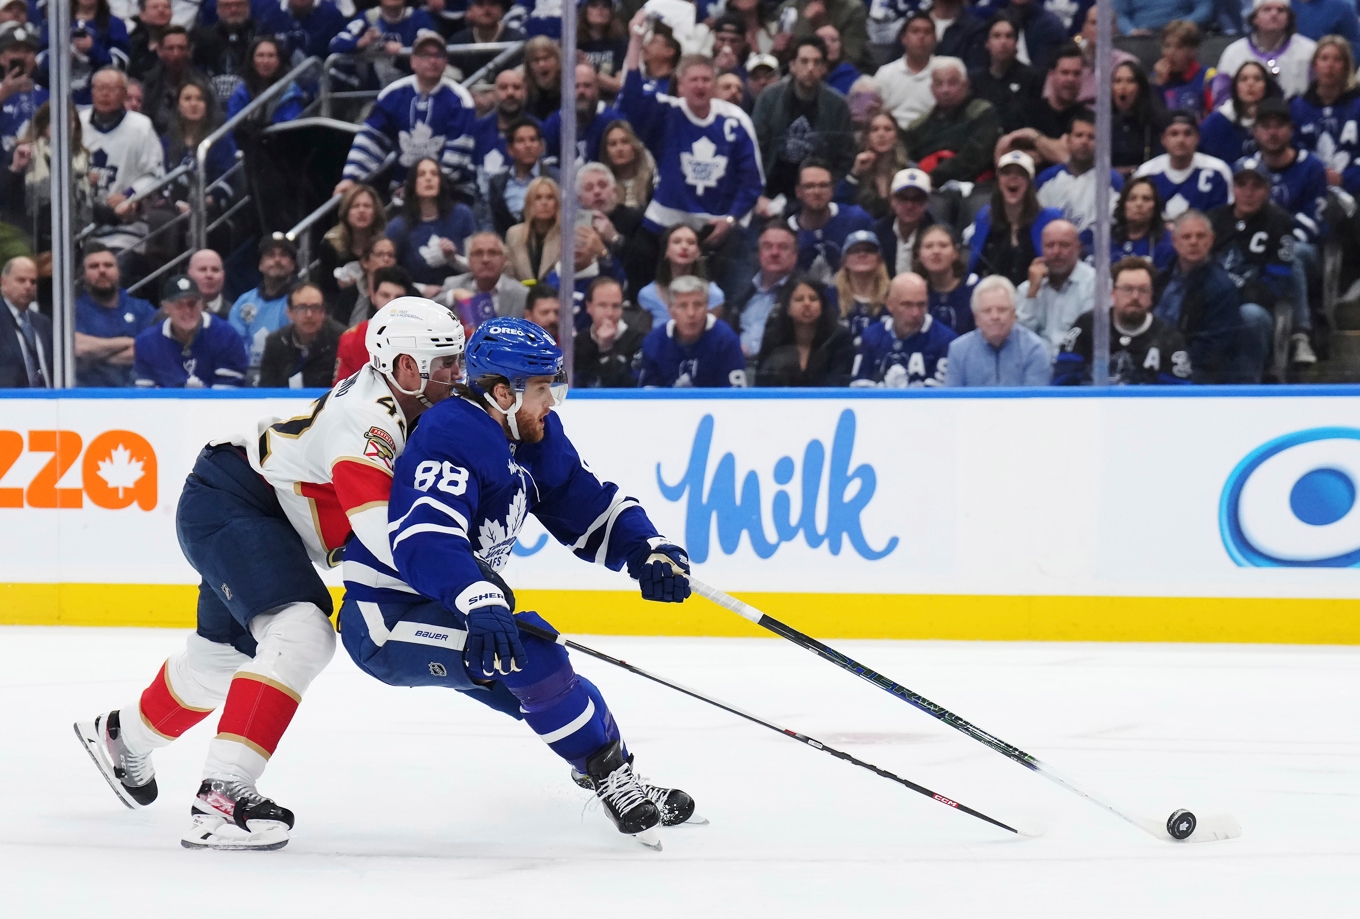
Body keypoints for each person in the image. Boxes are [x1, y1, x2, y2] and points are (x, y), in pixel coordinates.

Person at [79, 298, 464, 850]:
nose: (457, 373)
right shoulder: (366, 423)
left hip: (256, 508)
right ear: (407, 366)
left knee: (217, 663)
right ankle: (223, 795)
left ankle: (123, 737)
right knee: (302, 632)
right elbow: (381, 532)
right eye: (446, 362)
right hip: (235, 502)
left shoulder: (411, 399)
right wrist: (462, 588)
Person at [336, 316, 697, 847]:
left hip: (455, 605)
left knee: (557, 683)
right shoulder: (451, 432)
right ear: (502, 393)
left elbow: (585, 502)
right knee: (535, 656)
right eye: (542, 389)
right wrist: (479, 598)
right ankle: (609, 778)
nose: (551, 402)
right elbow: (426, 535)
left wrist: (646, 548)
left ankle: (613, 776)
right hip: (387, 619)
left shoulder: (532, 435)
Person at [620, 14, 763, 303]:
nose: (700, 86)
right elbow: (631, 99)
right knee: (644, 286)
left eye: (706, 79)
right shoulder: (667, 112)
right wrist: (635, 41)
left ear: (715, 84)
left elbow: (752, 181)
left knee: (714, 299)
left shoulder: (735, 120)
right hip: (663, 224)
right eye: (693, 80)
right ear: (681, 85)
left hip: (714, 230)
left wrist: (730, 219)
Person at [337, 30, 477, 199]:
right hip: (402, 191)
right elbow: (371, 138)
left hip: (451, 192)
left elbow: (458, 153)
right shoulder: (392, 94)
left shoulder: (460, 99)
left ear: (445, 61)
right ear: (412, 61)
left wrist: (423, 188)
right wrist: (351, 177)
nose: (432, 60)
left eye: (438, 55)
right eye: (425, 55)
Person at [1211, 157, 1315, 365]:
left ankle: (1247, 379)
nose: (1248, 193)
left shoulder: (1279, 221)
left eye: (1256, 186)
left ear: (1267, 189)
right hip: (1214, 298)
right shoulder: (1215, 218)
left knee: (1250, 316)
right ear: (1233, 188)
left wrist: (1245, 292)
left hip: (1254, 303)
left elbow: (1281, 279)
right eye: (1242, 185)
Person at [1153, 209, 1271, 384]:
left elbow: (1210, 351)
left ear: (1211, 240)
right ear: (1175, 242)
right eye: (1186, 237)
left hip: (1192, 371)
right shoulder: (1160, 278)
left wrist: (1169, 363)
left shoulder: (1222, 287)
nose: (1193, 242)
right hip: (1153, 358)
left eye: (1200, 236)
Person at [1053, 257, 1192, 386]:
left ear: (1151, 296)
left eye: (1143, 290)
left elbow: (1179, 395)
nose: (1135, 296)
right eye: (1127, 289)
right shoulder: (1087, 326)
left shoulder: (1169, 339)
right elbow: (1062, 382)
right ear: (1113, 293)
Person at [751, 34, 855, 203]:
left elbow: (844, 158)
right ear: (792, 65)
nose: (810, 68)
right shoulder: (769, 98)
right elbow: (755, 150)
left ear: (824, 68)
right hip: (771, 189)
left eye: (817, 62)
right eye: (804, 61)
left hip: (818, 193)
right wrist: (757, 194)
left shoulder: (837, 104)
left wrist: (829, 193)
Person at [964, 150, 1063, 286]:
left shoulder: (1050, 218)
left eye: (1021, 173)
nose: (1013, 177)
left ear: (1029, 182)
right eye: (1006, 173)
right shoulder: (984, 217)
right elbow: (974, 267)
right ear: (998, 181)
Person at [900, 57, 1001, 187]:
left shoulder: (982, 113)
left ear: (965, 84)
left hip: (975, 184)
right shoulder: (918, 126)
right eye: (939, 84)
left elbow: (975, 157)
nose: (945, 90)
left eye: (952, 83)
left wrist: (933, 177)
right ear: (932, 88)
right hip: (925, 187)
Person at [80, 67, 166, 220]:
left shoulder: (141, 126)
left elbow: (156, 175)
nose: (104, 94)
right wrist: (80, 178)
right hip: (81, 215)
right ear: (92, 92)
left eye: (111, 89)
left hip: (127, 220)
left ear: (124, 94)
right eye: (99, 88)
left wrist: (130, 195)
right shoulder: (79, 122)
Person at [134, 274, 248, 388]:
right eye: (179, 305)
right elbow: (146, 393)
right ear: (165, 308)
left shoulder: (226, 336)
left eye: (192, 304)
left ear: (201, 304)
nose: (187, 311)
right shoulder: (146, 342)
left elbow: (228, 391)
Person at [386, 157, 477, 295]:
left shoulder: (462, 214)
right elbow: (387, 275)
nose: (428, 178)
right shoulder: (398, 227)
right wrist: (421, 289)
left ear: (441, 181)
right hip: (417, 298)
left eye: (434, 174)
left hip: (463, 293)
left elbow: (476, 267)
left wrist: (453, 259)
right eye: (422, 174)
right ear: (413, 183)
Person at [850, 270, 957, 387]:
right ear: (889, 304)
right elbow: (858, 387)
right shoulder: (871, 337)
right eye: (907, 305)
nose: (915, 313)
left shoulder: (945, 341)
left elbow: (940, 394)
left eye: (921, 304)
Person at [638, 274, 747, 387]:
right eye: (683, 306)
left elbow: (736, 393)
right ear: (671, 311)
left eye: (698, 305)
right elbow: (648, 392)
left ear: (707, 308)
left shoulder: (726, 340)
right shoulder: (655, 341)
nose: (691, 313)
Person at [1249, 98, 1330, 248]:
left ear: (1291, 129)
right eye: (1266, 126)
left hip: (1297, 245)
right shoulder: (1247, 168)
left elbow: (1315, 218)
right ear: (1255, 132)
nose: (1273, 133)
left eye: (1279, 125)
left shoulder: (1311, 167)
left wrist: (1282, 246)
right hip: (1255, 244)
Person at [943, 274, 1050, 387]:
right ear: (976, 318)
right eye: (987, 311)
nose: (995, 316)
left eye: (1002, 310)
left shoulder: (1035, 349)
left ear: (1014, 314)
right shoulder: (958, 351)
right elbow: (953, 397)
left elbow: (1035, 397)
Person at [74, 243, 157, 387]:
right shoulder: (73, 310)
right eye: (94, 266)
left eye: (108, 265)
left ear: (119, 271)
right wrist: (129, 342)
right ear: (84, 274)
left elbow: (151, 350)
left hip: (137, 393)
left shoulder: (142, 309)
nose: (102, 270)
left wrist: (96, 356)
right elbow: (79, 348)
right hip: (90, 395)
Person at [1036, 109, 1125, 244]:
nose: (1084, 141)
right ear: (1068, 140)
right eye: (1079, 135)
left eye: (1091, 137)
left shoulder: (1112, 180)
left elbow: (1114, 225)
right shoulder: (1046, 179)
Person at [1015, 219, 1096, 358]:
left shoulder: (1095, 284)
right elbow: (1020, 338)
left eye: (1064, 245)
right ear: (1042, 248)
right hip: (1037, 363)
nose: (1056, 252)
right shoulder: (1027, 288)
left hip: (1077, 362)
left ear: (1078, 248)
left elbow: (1089, 336)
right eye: (1050, 245)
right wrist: (1033, 292)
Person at [755, 275, 855, 387]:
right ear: (787, 308)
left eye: (813, 299)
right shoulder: (773, 337)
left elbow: (840, 383)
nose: (807, 304)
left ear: (822, 306)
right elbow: (761, 383)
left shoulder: (839, 338)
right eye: (799, 299)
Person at [997, 42, 1085, 167]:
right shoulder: (1027, 111)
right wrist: (1050, 152)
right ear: (1051, 75)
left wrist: (1034, 137)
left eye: (1076, 74)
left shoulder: (1086, 119)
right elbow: (1003, 154)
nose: (1071, 79)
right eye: (1065, 73)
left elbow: (1068, 159)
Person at [1291, 36, 1360, 194]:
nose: (1330, 65)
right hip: (1307, 186)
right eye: (1324, 59)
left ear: (1346, 66)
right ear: (1314, 64)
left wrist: (1344, 179)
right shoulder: (1297, 107)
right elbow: (1293, 150)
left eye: (1337, 59)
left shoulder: (1357, 105)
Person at [1212, 0, 1316, 105]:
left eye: (1281, 10)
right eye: (1267, 9)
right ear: (1254, 18)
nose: (1274, 14)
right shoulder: (1233, 53)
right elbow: (1222, 98)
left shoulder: (1308, 51)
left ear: (1288, 18)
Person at [787, 158, 874, 283]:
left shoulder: (857, 219)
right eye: (809, 186)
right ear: (798, 192)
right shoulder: (787, 233)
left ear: (832, 190)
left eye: (823, 186)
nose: (817, 192)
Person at [1133, 112, 1233, 220]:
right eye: (1174, 134)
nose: (1181, 140)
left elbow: (1226, 216)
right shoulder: (1146, 173)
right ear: (1163, 139)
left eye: (1187, 133)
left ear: (1198, 138)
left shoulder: (1218, 171)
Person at [726, 223, 802, 359]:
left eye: (783, 247)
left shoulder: (805, 293)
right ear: (759, 253)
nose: (774, 253)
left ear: (795, 255)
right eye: (767, 247)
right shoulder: (740, 291)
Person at [228, 233, 297, 381]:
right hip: (247, 378)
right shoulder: (244, 302)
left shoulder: (301, 302)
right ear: (260, 264)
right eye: (270, 255)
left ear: (292, 265)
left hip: (288, 378)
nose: (277, 260)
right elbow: (234, 347)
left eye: (283, 255)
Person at [332, 265, 414, 379]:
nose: (391, 303)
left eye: (398, 297)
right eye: (385, 295)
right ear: (373, 296)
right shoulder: (351, 339)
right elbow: (342, 387)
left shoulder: (422, 337)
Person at [637, 224, 726, 329]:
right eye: (677, 242)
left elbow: (716, 334)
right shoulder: (647, 295)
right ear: (666, 251)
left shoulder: (713, 295)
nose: (684, 247)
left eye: (691, 242)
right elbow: (643, 335)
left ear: (698, 252)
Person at [256, 283, 345, 388]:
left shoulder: (342, 339)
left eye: (315, 308)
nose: (309, 315)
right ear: (289, 312)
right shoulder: (275, 342)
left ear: (323, 312)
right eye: (302, 308)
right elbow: (266, 388)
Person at [481, 118, 558, 237]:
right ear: (510, 149)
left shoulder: (556, 179)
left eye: (533, 140)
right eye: (521, 141)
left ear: (541, 146)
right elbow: (489, 221)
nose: (528, 145)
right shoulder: (497, 183)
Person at [969, 15, 1043, 135]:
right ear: (987, 43)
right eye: (997, 36)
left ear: (1016, 43)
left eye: (1009, 36)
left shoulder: (1032, 78)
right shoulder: (975, 80)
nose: (1003, 42)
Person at [438, 232, 529, 326]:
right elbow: (431, 310)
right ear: (469, 260)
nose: (485, 259)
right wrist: (452, 295)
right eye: (478, 253)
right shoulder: (453, 285)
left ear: (504, 259)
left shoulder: (521, 293)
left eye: (493, 253)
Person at [1199, 61, 1281, 165]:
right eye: (1243, 79)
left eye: (1257, 79)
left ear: (1266, 85)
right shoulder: (1216, 122)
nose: (1250, 84)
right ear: (1235, 86)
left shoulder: (1280, 118)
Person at [543, 63, 623, 168]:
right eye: (576, 86)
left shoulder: (613, 121)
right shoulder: (552, 124)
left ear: (597, 88)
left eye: (587, 86)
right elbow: (547, 166)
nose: (581, 91)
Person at [318, 183, 386, 304]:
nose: (361, 211)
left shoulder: (385, 244)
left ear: (375, 212)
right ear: (346, 212)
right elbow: (325, 290)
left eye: (367, 206)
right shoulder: (330, 245)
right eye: (355, 206)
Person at [836, 112, 909, 220]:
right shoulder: (854, 167)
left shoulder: (907, 170)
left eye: (888, 129)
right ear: (867, 137)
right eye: (875, 130)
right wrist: (855, 172)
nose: (881, 134)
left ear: (896, 136)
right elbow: (838, 206)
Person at [575, 276, 644, 388]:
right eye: (602, 305)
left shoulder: (638, 341)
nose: (610, 313)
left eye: (616, 306)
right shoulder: (579, 342)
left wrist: (606, 348)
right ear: (589, 307)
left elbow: (625, 386)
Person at [875, 13, 939, 131]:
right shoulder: (885, 73)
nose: (921, 37)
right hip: (893, 133)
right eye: (915, 31)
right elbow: (878, 112)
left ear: (935, 39)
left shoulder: (944, 70)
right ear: (904, 38)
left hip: (932, 132)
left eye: (927, 32)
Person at [141, 25, 206, 135]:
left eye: (181, 48)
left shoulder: (202, 83)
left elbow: (213, 118)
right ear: (159, 51)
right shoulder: (148, 83)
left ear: (189, 51)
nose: (176, 54)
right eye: (170, 48)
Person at [873, 166, 937, 277]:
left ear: (927, 202)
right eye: (902, 198)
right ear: (892, 199)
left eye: (917, 199)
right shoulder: (877, 232)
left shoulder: (938, 235)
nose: (909, 205)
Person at [224, 36, 305, 124]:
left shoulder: (291, 92)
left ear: (279, 61)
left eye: (271, 56)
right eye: (260, 55)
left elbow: (290, 124)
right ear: (252, 60)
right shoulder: (241, 91)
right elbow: (231, 125)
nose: (266, 61)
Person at [914, 223, 977, 334]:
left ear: (955, 252)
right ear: (919, 254)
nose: (935, 251)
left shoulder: (976, 289)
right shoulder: (914, 292)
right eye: (928, 246)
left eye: (943, 245)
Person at [192, 0, 259, 105]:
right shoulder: (202, 38)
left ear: (248, 7)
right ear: (218, 9)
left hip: (253, 101)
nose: (233, 10)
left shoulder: (261, 35)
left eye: (239, 5)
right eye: (227, 5)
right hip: (210, 103)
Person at [1108, 62, 1168, 176]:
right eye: (1118, 81)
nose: (1123, 86)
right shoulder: (1102, 124)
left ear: (1140, 87)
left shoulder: (1154, 123)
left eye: (1130, 81)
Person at [0, 256, 49, 389]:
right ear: (3, 282)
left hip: (47, 398)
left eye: (33, 282)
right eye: (21, 280)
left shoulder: (42, 323)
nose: (28, 286)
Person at [1151, 19, 1214, 121]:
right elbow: (1151, 117)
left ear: (1192, 50)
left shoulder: (1208, 77)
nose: (1171, 53)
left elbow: (1215, 117)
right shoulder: (1156, 77)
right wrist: (1158, 85)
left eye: (1179, 47)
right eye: (1167, 46)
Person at [1111, 176, 1178, 272]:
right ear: (1123, 204)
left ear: (1155, 206)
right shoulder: (1107, 239)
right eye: (1132, 198)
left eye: (1146, 199)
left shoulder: (1167, 243)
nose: (1139, 204)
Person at [834, 229, 890, 343]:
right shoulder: (830, 296)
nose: (862, 254)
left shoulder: (894, 295)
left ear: (879, 259)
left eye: (869, 250)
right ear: (844, 260)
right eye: (855, 250)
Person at [504, 175, 562, 283]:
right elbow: (509, 276)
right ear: (529, 203)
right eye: (538, 198)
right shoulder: (514, 234)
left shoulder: (566, 235)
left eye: (550, 197)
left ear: (557, 203)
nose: (544, 203)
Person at [0, 23, 46, 154]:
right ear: (1, 57)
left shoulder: (47, 96)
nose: (21, 56)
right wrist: (5, 92)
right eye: (14, 50)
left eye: (27, 51)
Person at [601, 119, 656, 211]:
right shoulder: (603, 187)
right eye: (613, 144)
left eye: (625, 141)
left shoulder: (653, 182)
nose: (619, 149)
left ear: (635, 145)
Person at [577, 0, 625, 95]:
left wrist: (590, 70)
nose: (600, 9)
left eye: (606, 5)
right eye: (594, 5)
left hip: (610, 101)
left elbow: (620, 85)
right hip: (580, 99)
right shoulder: (574, 44)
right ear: (584, 11)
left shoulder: (621, 44)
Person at [1292, 0, 1360, 64]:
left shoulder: (1342, 7)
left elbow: (1356, 49)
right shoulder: (1288, 5)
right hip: (1292, 67)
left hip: (1328, 70)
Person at [1116, 0, 1215, 37]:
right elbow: (1121, 15)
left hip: (1181, 35)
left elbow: (1205, 8)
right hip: (1140, 38)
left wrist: (1181, 25)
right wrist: (1131, 31)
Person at [450, 0, 524, 46]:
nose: (486, 9)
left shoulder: (517, 40)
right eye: (480, 4)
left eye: (493, 3)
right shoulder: (458, 42)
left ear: (501, 10)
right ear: (470, 10)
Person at [523, 35, 563, 121]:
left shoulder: (570, 89)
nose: (541, 64)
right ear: (529, 66)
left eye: (546, 58)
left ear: (557, 61)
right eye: (536, 60)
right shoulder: (524, 94)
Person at [817, 23, 862, 96]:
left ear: (841, 47)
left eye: (833, 40)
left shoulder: (848, 74)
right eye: (822, 39)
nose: (827, 44)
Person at [188, 248, 230, 317]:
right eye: (202, 269)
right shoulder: (173, 316)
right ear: (190, 274)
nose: (209, 275)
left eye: (215, 270)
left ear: (223, 276)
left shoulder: (236, 315)